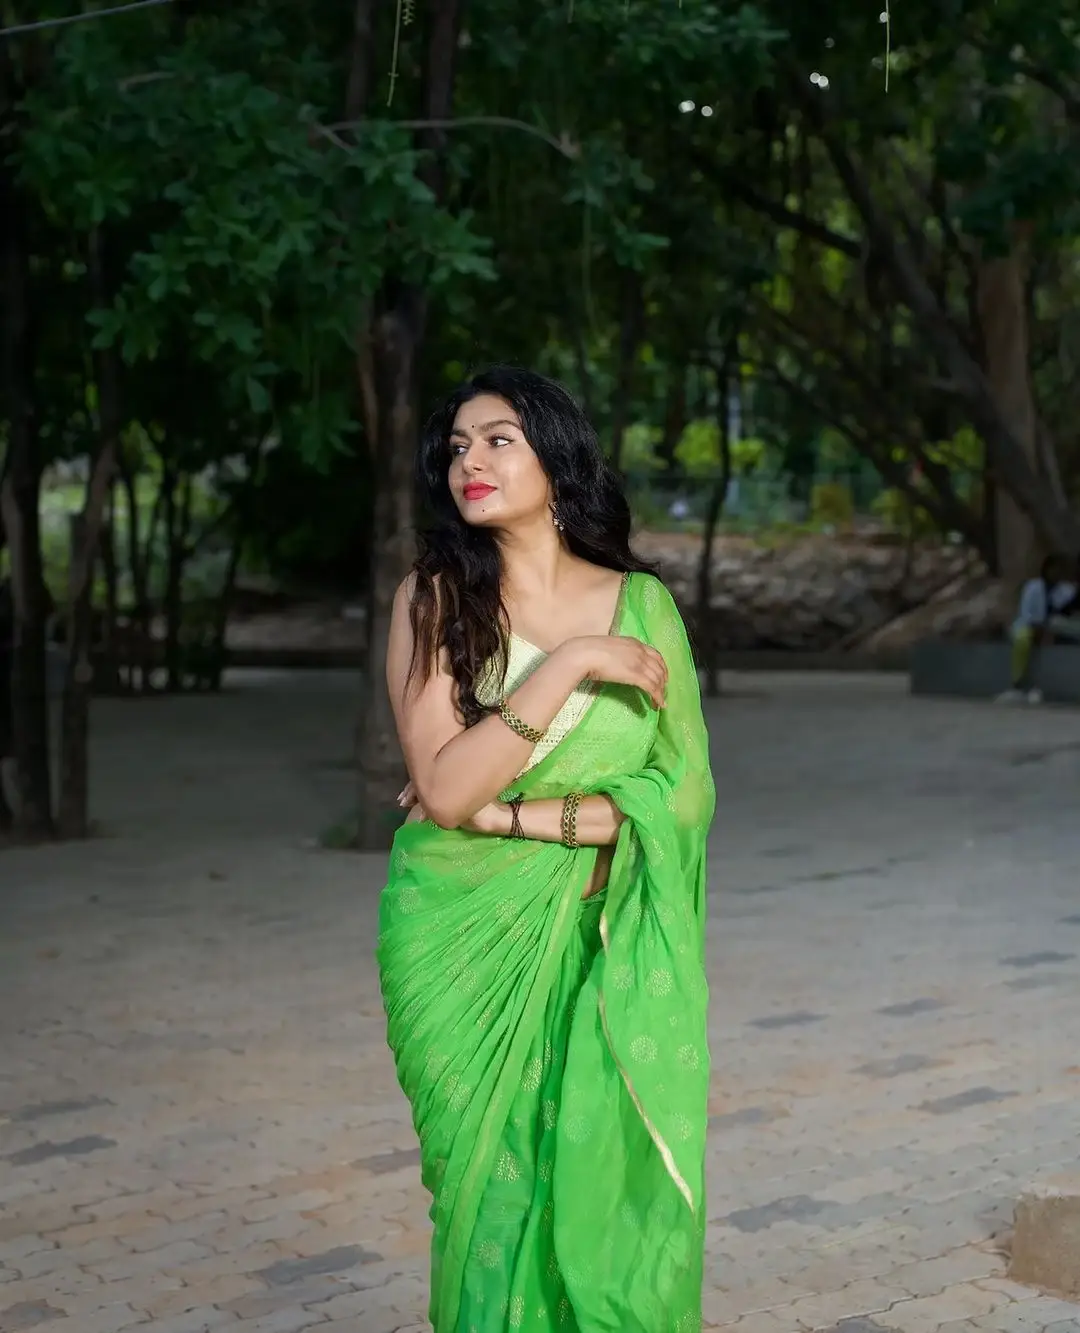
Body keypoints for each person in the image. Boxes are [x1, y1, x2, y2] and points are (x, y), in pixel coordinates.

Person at [378, 367, 715, 1333]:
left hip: (592, 936)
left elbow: (680, 798)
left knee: (590, 1177)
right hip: (455, 933)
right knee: (486, 1195)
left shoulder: (643, 607)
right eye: (456, 447)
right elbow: (444, 789)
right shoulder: (434, 597)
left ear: (557, 460)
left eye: (498, 441)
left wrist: (515, 815)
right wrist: (569, 665)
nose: (469, 463)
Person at [997, 554, 1080, 704]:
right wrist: (1038, 627)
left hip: (1053, 629)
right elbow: (1026, 613)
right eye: (1053, 569)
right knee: (1023, 640)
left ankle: (1038, 687)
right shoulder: (1033, 587)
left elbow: (1065, 614)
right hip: (1029, 626)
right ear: (1046, 569)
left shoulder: (1067, 590)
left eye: (1059, 570)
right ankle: (1018, 683)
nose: (1056, 573)